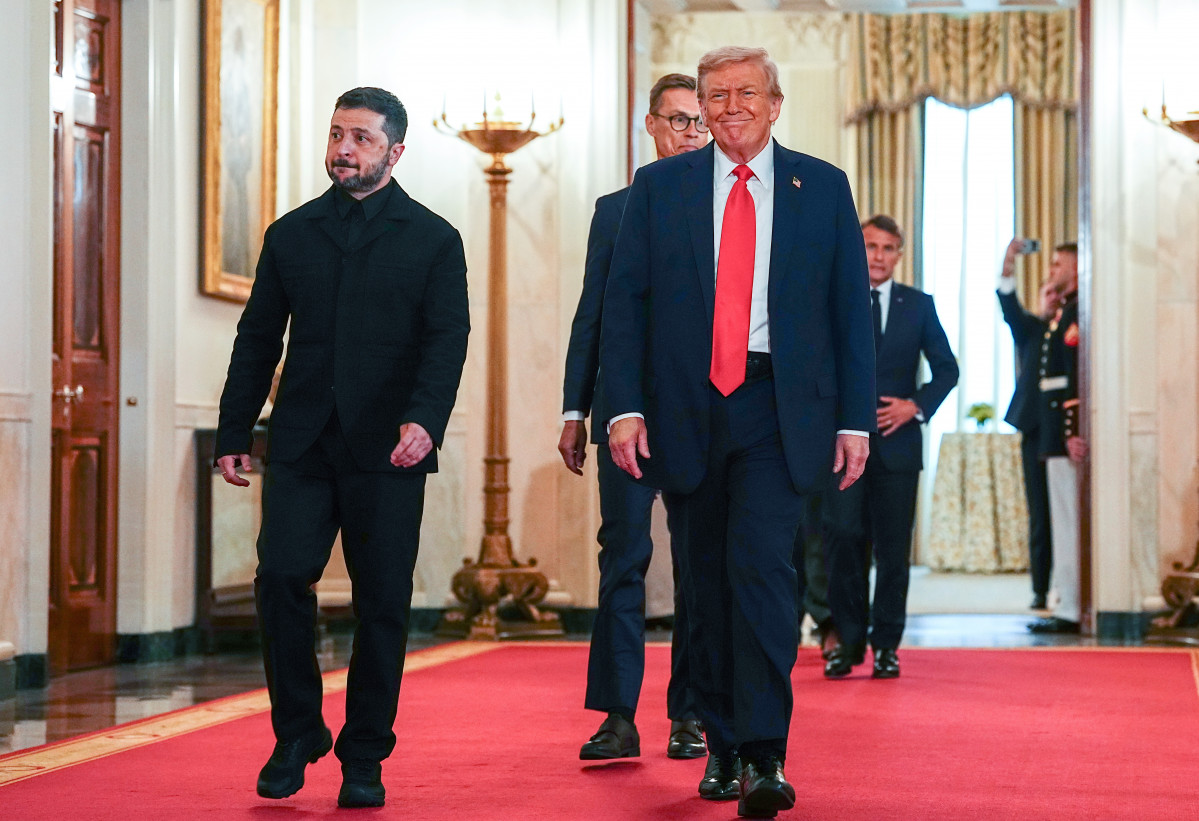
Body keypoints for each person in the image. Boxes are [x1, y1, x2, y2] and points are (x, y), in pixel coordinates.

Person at [600, 46, 875, 818]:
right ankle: (717, 741)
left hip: (776, 407)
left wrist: (853, 417)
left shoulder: (820, 187)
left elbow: (848, 312)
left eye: (745, 93)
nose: (729, 107)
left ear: (775, 103)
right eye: (714, 95)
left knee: (761, 573)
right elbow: (625, 308)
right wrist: (621, 406)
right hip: (685, 409)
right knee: (704, 580)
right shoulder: (658, 189)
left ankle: (763, 753)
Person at [214, 87, 470, 809]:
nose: (343, 148)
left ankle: (365, 754)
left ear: (394, 150)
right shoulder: (290, 234)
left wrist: (425, 419)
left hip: (389, 449)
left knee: (382, 603)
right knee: (280, 577)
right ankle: (297, 731)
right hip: (300, 441)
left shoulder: (432, 237)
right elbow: (258, 338)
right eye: (335, 133)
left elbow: (445, 340)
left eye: (359, 136)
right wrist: (236, 429)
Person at [559, 74, 709, 763]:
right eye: (677, 121)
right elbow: (592, 314)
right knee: (622, 559)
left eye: (699, 123)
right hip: (623, 411)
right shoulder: (613, 210)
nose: (690, 134)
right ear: (649, 125)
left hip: (702, 415)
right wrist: (574, 407)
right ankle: (617, 715)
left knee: (698, 567)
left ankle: (691, 714)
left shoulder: (729, 206)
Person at [822, 215, 958, 681]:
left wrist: (914, 406)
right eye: (869, 246)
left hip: (899, 450)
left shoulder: (919, 306)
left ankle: (887, 646)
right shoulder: (834, 299)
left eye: (887, 248)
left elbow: (947, 369)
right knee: (842, 542)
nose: (878, 256)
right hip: (841, 446)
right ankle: (847, 642)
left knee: (893, 551)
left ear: (899, 254)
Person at [997, 239, 1071, 610]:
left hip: (1064, 429)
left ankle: (1069, 586)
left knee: (1066, 512)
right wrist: (1008, 265)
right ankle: (1040, 589)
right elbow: (1009, 307)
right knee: (1039, 513)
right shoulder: (1033, 331)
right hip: (1033, 427)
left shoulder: (1073, 324)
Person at [1027, 242, 1084, 634]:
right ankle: (1065, 601)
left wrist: (1074, 429)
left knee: (1067, 521)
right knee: (1060, 520)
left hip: (1065, 435)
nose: (1051, 269)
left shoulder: (1080, 312)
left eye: (1057, 263)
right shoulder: (1063, 312)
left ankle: (1071, 607)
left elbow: (1079, 377)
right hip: (1053, 433)